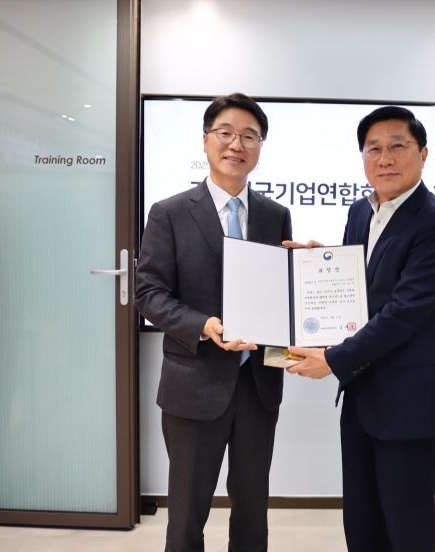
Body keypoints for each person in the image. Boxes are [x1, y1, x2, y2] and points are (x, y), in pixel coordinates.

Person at [285, 106, 435, 551]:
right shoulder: (361, 212)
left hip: (409, 400)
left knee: (406, 526)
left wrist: (332, 359)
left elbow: (404, 312)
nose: (385, 158)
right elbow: (359, 290)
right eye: (374, 149)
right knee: (362, 522)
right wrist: (321, 263)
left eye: (397, 146)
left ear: (423, 153)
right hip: (362, 394)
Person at [135, 93, 292, 552]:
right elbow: (148, 293)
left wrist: (307, 279)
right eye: (225, 133)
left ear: (260, 147)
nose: (236, 144)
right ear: (206, 140)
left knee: (252, 511)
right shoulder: (169, 212)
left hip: (258, 385)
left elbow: (279, 299)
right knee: (187, 514)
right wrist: (203, 325)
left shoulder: (276, 215)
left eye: (249, 136)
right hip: (194, 385)